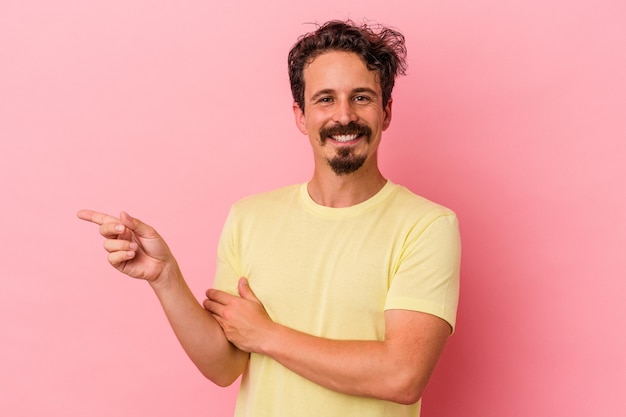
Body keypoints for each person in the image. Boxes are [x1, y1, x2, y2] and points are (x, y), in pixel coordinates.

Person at [78, 20, 461, 417]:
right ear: (301, 115)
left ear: (386, 111)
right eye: (325, 99)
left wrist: (268, 336)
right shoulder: (249, 218)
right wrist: (165, 277)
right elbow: (225, 365)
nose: (343, 116)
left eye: (361, 97)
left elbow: (401, 376)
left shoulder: (427, 226)